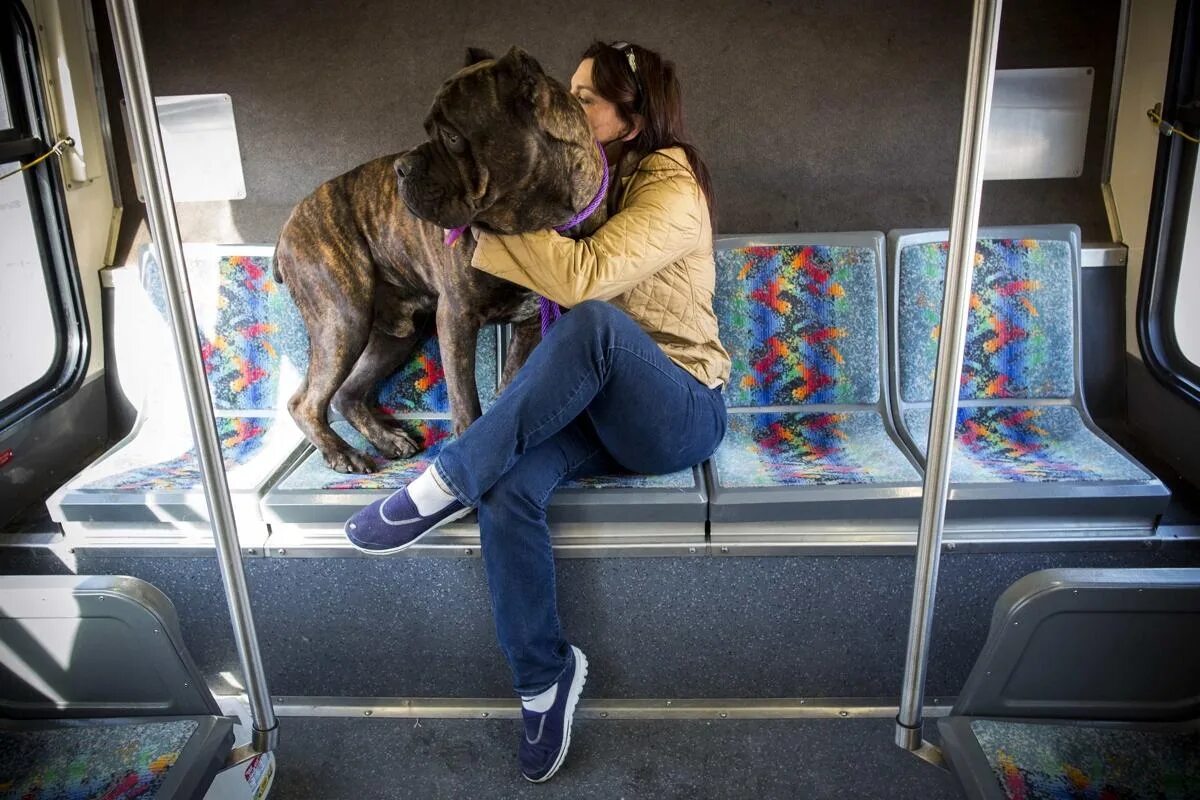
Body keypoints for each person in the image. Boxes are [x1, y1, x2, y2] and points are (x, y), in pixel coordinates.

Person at [344, 40, 730, 783]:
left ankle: (443, 481)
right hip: (602, 414)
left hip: (680, 410)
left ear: (633, 113)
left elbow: (586, 278)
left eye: (587, 98)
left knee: (590, 321)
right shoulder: (587, 180)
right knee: (509, 487)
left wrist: (480, 231)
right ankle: (544, 678)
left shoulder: (673, 185)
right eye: (572, 91)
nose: (570, 106)